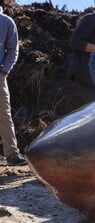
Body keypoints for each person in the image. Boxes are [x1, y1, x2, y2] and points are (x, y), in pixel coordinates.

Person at [0, 6, 26, 166]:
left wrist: (4, 71)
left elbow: (13, 49)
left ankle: (12, 155)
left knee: (4, 114)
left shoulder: (6, 22)